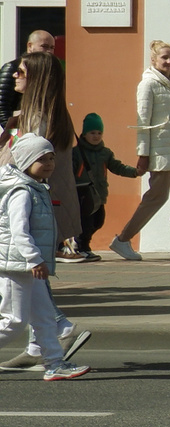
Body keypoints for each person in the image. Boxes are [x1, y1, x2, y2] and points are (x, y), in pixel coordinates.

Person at [0, 135, 92, 379]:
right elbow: (18, 231)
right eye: (41, 158)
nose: (49, 162)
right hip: (17, 266)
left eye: (51, 157)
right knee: (14, 322)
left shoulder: (36, 188)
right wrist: (34, 259)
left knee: (44, 318)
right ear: (26, 161)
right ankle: (53, 362)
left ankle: (54, 364)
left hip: (30, 266)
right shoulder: (21, 191)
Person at [109, 40, 170, 260]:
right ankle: (122, 240)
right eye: (164, 57)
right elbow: (142, 122)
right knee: (157, 197)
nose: (169, 61)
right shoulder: (148, 84)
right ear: (153, 59)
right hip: (161, 150)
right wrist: (143, 154)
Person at [6, 50, 77, 256]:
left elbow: (25, 163)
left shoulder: (37, 119)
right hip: (37, 201)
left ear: (36, 78)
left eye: (20, 72)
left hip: (25, 200)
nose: (14, 76)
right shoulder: (44, 115)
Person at [67, 113, 141, 262]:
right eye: (92, 133)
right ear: (85, 133)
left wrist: (134, 172)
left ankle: (77, 241)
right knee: (86, 223)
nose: (96, 136)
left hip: (98, 195)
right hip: (82, 194)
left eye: (99, 133)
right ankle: (82, 247)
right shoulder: (76, 153)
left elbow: (117, 167)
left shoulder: (105, 153)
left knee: (98, 221)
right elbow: (69, 171)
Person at [0, 27, 55, 129]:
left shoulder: (50, 71)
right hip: (20, 130)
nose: (49, 51)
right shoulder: (12, 68)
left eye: (52, 47)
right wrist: (13, 133)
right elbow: (2, 106)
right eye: (44, 46)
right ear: (30, 46)